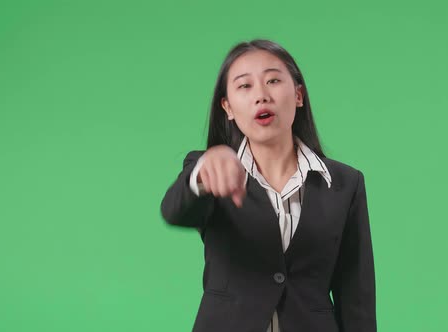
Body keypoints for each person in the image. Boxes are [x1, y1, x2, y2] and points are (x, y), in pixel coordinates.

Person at [160, 39, 376, 332]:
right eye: (244, 86)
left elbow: (356, 294)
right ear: (228, 107)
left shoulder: (345, 183)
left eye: (273, 80)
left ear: (298, 95)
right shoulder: (210, 170)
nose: (261, 95)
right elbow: (175, 210)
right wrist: (203, 171)